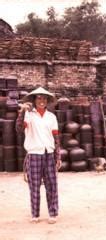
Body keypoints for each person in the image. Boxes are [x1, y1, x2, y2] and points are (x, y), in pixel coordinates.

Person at [15, 87, 61, 224]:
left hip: (49, 154)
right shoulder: (29, 115)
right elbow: (19, 129)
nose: (42, 101)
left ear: (47, 101)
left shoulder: (51, 117)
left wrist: (58, 156)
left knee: (52, 185)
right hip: (34, 154)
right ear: (34, 100)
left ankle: (53, 213)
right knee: (34, 186)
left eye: (44, 98)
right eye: (39, 98)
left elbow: (56, 138)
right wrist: (22, 113)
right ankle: (35, 214)